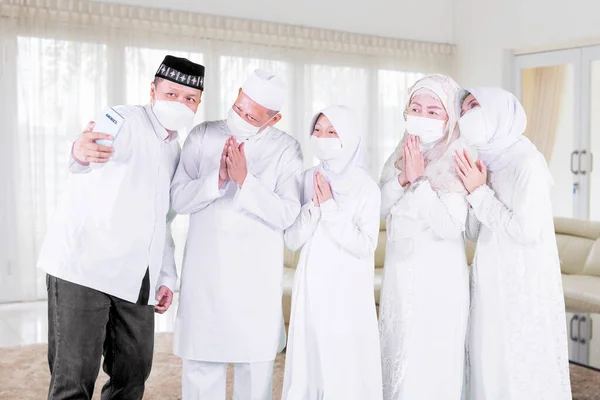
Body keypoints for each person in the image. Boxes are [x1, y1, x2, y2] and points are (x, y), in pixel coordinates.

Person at [37, 55, 205, 399]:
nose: (180, 103)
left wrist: (166, 277)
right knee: (74, 379)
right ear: (153, 90)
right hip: (83, 268)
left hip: (136, 275)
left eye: (190, 99)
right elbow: (87, 151)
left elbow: (163, 220)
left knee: (133, 373)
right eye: (172, 94)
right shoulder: (122, 119)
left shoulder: (175, 149)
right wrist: (79, 150)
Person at [169, 68, 303, 400]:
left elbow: (287, 214)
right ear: (238, 93)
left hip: (255, 279)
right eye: (239, 107)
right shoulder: (202, 135)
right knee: (201, 367)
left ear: (273, 120)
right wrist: (216, 180)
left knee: (255, 371)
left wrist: (245, 181)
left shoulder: (287, 150)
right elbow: (178, 199)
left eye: (252, 116)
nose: (241, 117)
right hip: (206, 273)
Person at [454, 87, 572, 399]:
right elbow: (475, 233)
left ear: (498, 112)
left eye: (475, 106)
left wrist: (480, 193)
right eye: (463, 110)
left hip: (520, 281)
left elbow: (525, 232)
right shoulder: (487, 161)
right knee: (486, 358)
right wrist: (472, 193)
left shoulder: (528, 162)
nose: (467, 116)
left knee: (515, 361)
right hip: (489, 276)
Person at [378, 74, 472, 400]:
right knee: (399, 350)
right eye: (415, 108)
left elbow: (449, 226)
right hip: (400, 271)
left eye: (434, 111)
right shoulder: (401, 153)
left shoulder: (458, 158)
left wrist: (418, 184)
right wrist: (403, 177)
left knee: (430, 360)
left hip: (437, 276)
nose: (422, 116)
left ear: (451, 117)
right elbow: (380, 206)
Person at [281, 105, 383, 400]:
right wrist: (313, 208)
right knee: (310, 356)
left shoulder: (366, 187)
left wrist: (329, 208)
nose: (322, 137)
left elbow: (365, 245)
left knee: (343, 358)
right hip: (312, 282)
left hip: (347, 286)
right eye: (318, 130)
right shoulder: (307, 178)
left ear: (348, 136)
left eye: (332, 131)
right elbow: (292, 239)